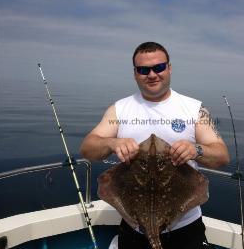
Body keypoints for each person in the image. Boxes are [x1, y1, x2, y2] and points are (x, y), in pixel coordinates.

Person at [80, 42, 230, 249]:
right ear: (135, 73)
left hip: (185, 228)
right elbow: (88, 148)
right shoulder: (120, 110)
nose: (152, 74)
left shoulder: (194, 109)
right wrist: (111, 142)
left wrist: (196, 149)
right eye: (143, 70)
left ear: (169, 68)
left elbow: (222, 155)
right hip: (133, 228)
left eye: (158, 67)